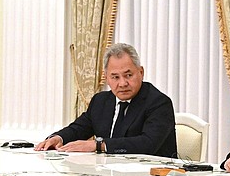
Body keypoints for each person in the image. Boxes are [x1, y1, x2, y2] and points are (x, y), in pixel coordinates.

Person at [34, 43, 178, 158]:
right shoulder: (100, 101)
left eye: (128, 75)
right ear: (106, 77)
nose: (122, 83)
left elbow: (148, 144)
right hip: (108, 174)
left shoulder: (159, 103)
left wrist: (99, 145)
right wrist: (58, 138)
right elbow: (78, 129)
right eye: (115, 77)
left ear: (141, 72)